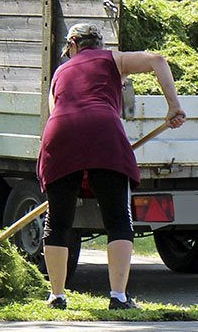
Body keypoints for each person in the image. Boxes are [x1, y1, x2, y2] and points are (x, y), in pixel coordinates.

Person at [38, 22, 186, 310]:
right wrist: (173, 105)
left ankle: (57, 296)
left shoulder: (59, 73)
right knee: (118, 219)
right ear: (99, 44)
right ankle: (118, 297)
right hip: (103, 130)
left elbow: (54, 111)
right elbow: (157, 60)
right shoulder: (112, 59)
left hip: (60, 132)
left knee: (57, 222)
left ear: (73, 46)